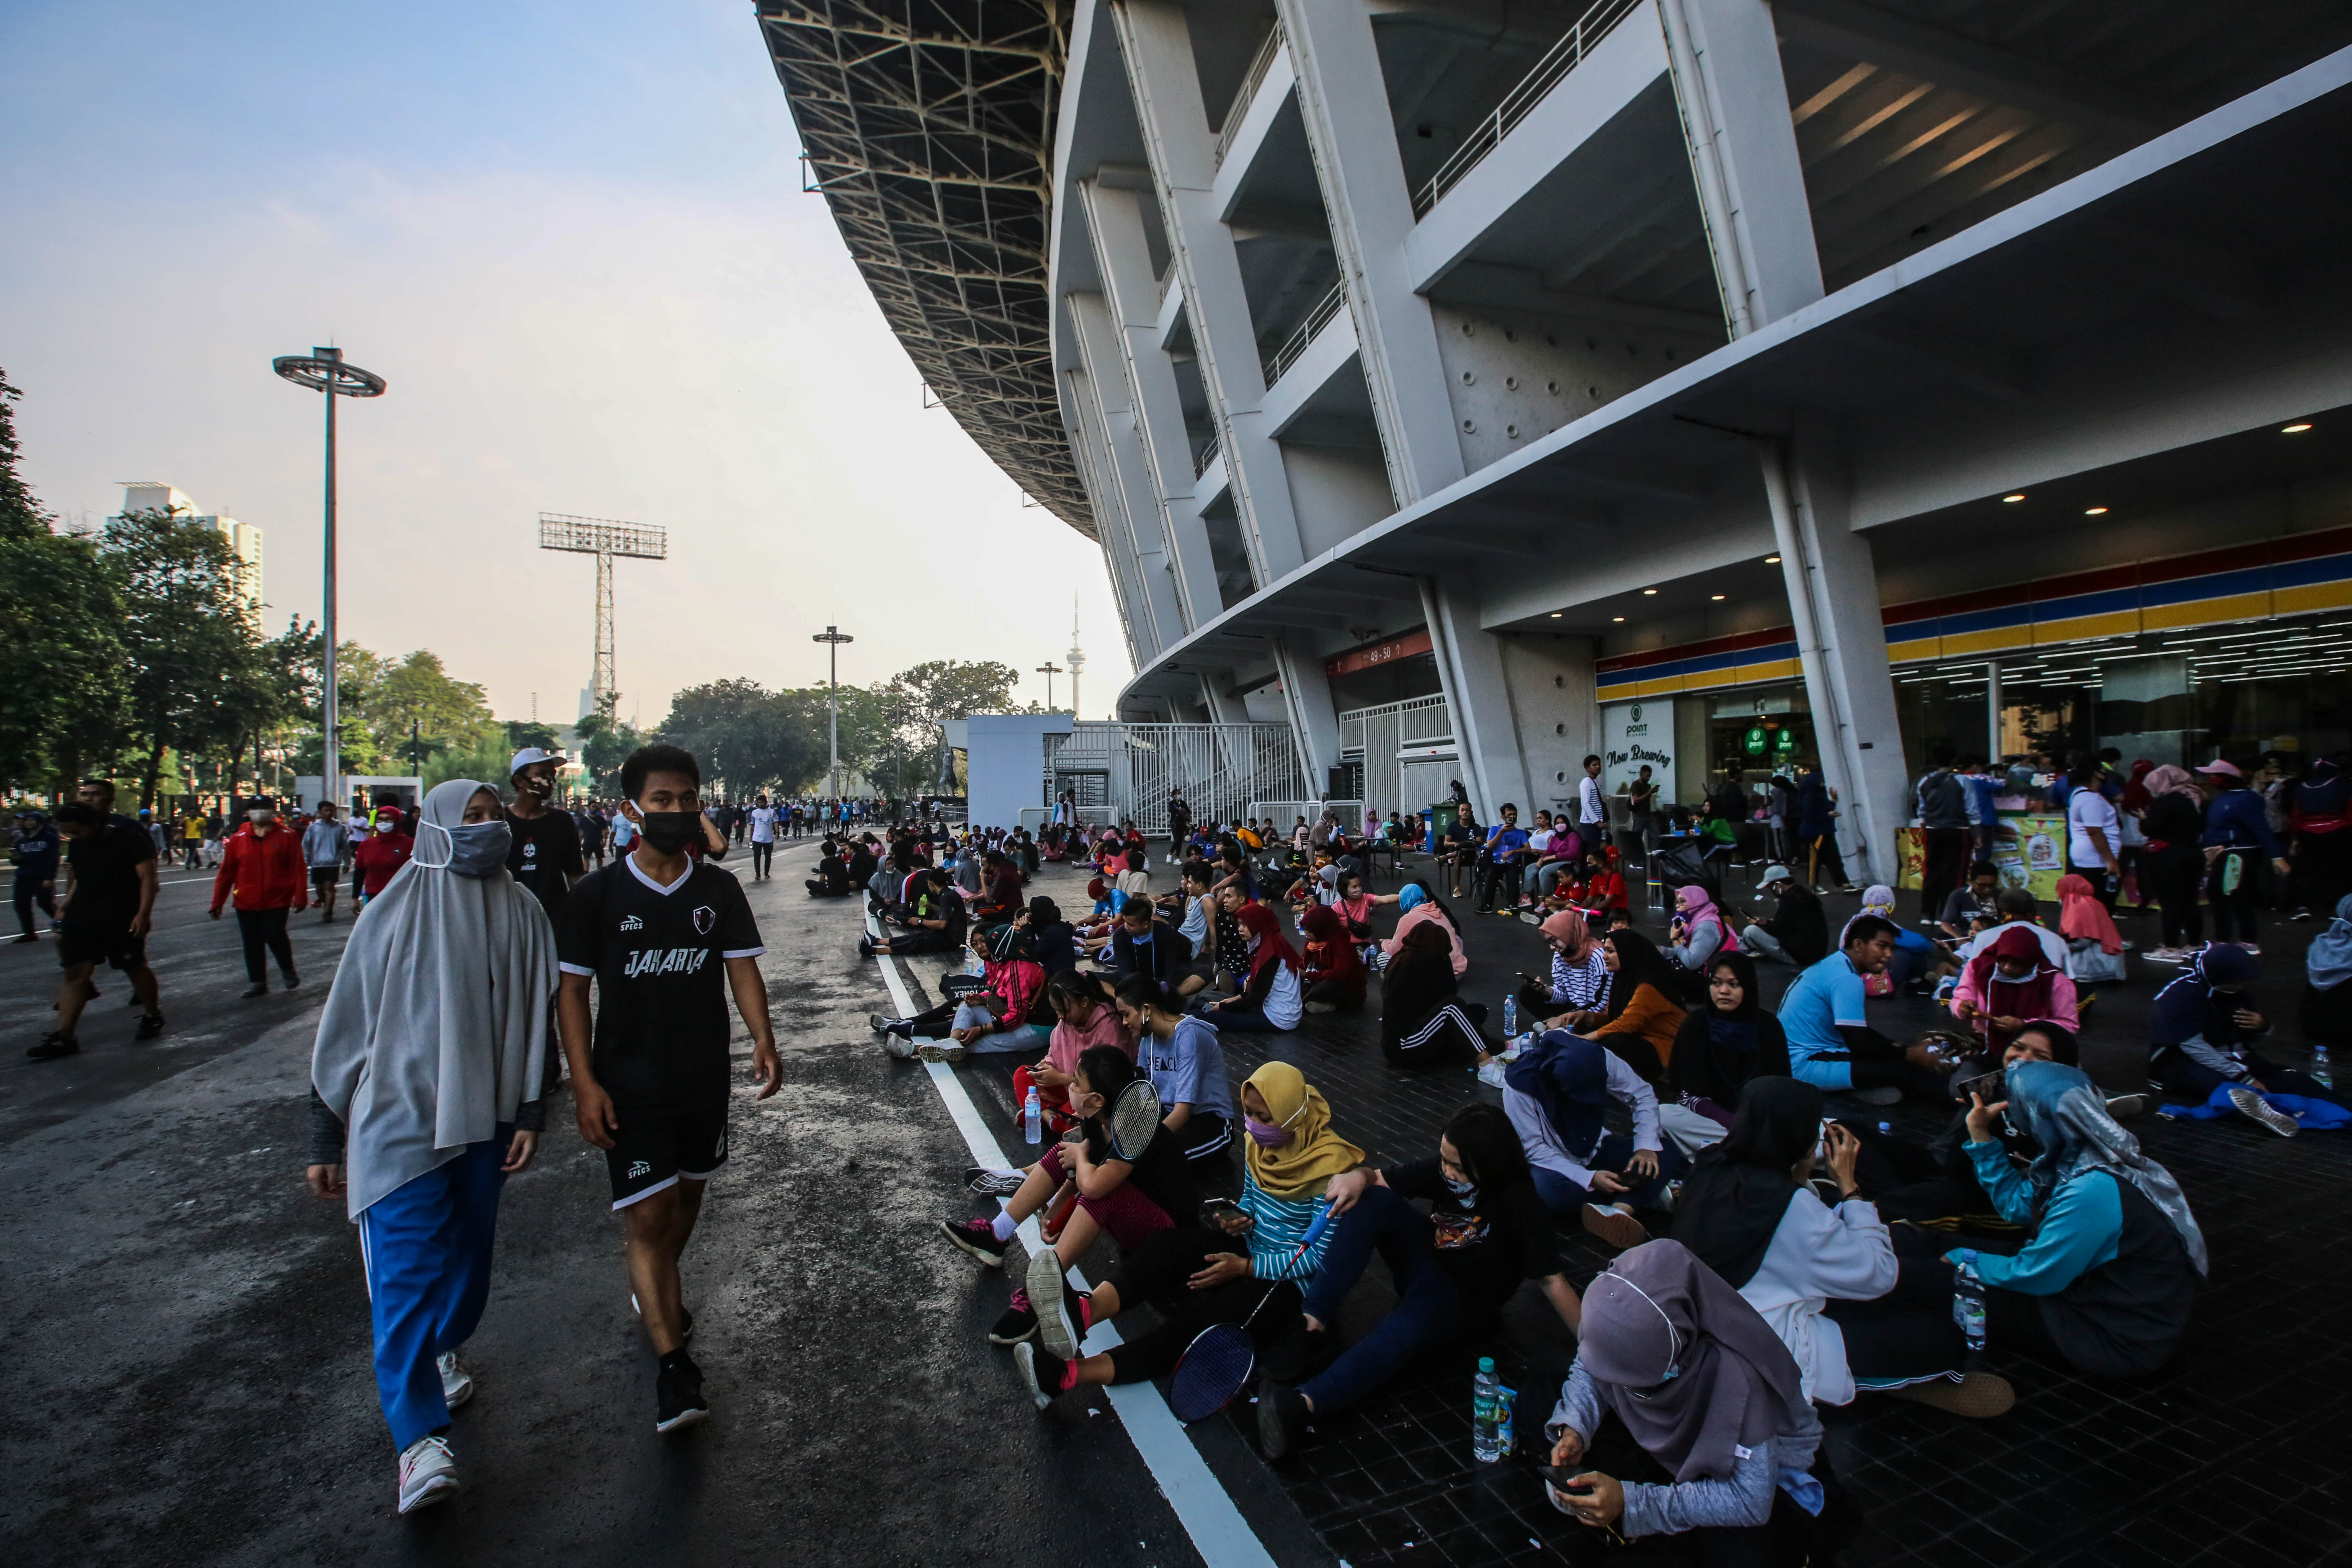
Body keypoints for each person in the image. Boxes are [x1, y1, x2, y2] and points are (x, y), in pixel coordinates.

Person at [304, 778, 555, 1515]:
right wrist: (327, 1135)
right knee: (406, 1275)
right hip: (399, 1125)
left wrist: (534, 1113)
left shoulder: (523, 909)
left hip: (489, 1120)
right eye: (469, 818)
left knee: (469, 1258)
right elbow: (344, 1030)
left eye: (491, 816)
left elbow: (542, 1018)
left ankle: (444, 1347)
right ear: (437, 828)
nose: (486, 828)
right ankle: (419, 1442)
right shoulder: (391, 914)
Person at [554, 744, 780, 1434]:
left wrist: (763, 1038)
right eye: (662, 801)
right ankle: (675, 1369)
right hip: (630, 1084)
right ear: (632, 809)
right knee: (647, 1218)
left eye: (687, 800)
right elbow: (572, 994)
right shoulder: (595, 895)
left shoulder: (718, 890)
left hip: (703, 1079)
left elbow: (741, 970)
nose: (677, 812)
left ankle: (655, 1287)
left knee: (687, 1199)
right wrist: (583, 1082)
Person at [1014, 1061, 1361, 1406]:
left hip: (1289, 1282)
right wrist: (1239, 1219)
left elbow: (1317, 1257)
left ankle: (1066, 1376)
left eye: (1265, 1118)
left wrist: (1246, 1269)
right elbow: (1252, 1203)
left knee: (1199, 1324)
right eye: (1250, 1114)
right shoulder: (1261, 1144)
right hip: (1250, 1248)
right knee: (1166, 1248)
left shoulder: (1330, 1169)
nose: (1255, 1126)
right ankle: (1081, 1314)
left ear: (1291, 1114)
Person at [1256, 1103, 1585, 1459]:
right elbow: (1379, 1178)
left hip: (1464, 1302)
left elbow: (1553, 1282)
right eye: (1444, 1159)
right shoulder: (1445, 1170)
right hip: (1428, 1262)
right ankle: (1312, 1323)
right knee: (1373, 1199)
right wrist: (1358, 1177)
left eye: (1457, 1166)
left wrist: (1596, 1354)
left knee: (1398, 1333)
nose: (1447, 1172)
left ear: (1489, 1164)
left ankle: (1304, 1405)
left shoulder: (1520, 1204)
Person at [1674, 1079, 2010, 1419]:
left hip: (1715, 1320)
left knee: (1886, 1300)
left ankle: (1872, 1377)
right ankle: (1861, 1384)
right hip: (1767, 1349)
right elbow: (1879, 1275)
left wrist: (1801, 1173)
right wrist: (1850, 1187)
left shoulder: (1709, 1164)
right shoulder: (1793, 1207)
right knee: (1940, 1335)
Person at [1541, 1242, 1825, 1560]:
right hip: (1664, 1434)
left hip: (1733, 1467)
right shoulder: (1619, 1312)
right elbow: (1593, 1365)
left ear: (1674, 1356)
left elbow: (1749, 1500)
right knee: (1540, 1397)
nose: (1618, 1381)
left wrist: (1634, 1502)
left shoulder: (1740, 1382)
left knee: (1748, 1553)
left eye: (1635, 1376)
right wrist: (1575, 1429)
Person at [1941, 1063, 2205, 1378]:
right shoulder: (2087, 1157)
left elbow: (2037, 1275)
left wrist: (1962, 1260)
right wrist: (1981, 1136)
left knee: (1938, 1281)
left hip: (2113, 1340)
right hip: (2104, 1306)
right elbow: (2018, 1207)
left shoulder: (2092, 1188)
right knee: (1936, 1247)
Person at [1503, 1030, 1676, 1248]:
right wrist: (1588, 1178)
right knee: (1546, 1190)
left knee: (1666, 1150)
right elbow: (1534, 1148)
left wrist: (1645, 1146)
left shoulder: (1601, 1058)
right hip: (1555, 1163)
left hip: (1596, 1146)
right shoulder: (1519, 1086)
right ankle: (1640, 1194)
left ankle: (1621, 1209)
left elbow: (1642, 1095)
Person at [2148, 945, 2347, 1129]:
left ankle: (2343, 1110)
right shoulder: (2181, 995)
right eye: (2234, 983)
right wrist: (2246, 1079)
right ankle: (2272, 1112)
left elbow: (2245, 1040)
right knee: (2227, 1089)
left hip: (2233, 1055)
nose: (2239, 987)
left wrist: (2263, 1026)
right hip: (2180, 1061)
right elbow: (2195, 1048)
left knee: (2294, 1080)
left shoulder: (2235, 994)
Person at [29, 801, 164, 1058]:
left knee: (134, 966)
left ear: (92, 823)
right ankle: (64, 1037)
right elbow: (80, 879)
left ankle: (152, 1014)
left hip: (120, 915)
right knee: (76, 973)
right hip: (83, 915)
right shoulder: (79, 845)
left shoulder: (129, 839)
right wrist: (65, 905)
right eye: (68, 833)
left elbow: (148, 878)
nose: (73, 837)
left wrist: (143, 915)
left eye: (76, 831)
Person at [1780, 915, 1954, 1105]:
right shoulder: (1847, 979)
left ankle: (1853, 1084)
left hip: (1803, 1056)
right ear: (1858, 945)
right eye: (1882, 946)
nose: (1889, 955)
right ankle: (1962, 1099)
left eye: (1891, 948)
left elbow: (1859, 1033)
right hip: (1804, 1065)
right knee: (1907, 1068)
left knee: (1898, 1054)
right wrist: (1913, 1055)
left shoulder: (1836, 964)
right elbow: (1860, 1043)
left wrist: (1905, 1050)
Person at [1667, 951, 1793, 1134]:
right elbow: (1687, 1093)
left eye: (1734, 984)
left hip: (1760, 1122)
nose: (1724, 991)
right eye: (1716, 983)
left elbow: (1781, 1087)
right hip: (1712, 1120)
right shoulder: (1696, 1026)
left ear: (1748, 987)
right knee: (1664, 1116)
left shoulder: (1768, 1027)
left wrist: (1756, 1124)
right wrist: (1733, 1124)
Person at [1115, 975, 1236, 1160]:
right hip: (1167, 1115)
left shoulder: (1189, 1037)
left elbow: (1183, 1111)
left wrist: (1144, 1144)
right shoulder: (1148, 1039)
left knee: (1153, 1159)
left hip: (1208, 1123)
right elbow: (1142, 1094)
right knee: (1117, 1145)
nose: (1124, 1022)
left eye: (1126, 1014)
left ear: (1146, 1009)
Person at [210, 797, 308, 998]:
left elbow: (298, 868)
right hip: (246, 900)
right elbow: (227, 873)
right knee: (251, 942)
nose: (259, 812)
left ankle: (287, 969)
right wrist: (217, 902)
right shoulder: (239, 839)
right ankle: (258, 982)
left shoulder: (288, 836)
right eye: (254, 809)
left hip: (278, 898)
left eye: (264, 808)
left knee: (273, 933)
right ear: (248, 813)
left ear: (273, 811)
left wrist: (300, 896)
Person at [1561, 929, 1688, 1083]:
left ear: (1627, 953)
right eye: (1605, 951)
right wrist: (1586, 1016)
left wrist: (1586, 1039)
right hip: (1641, 1037)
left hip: (1667, 1049)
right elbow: (1612, 1017)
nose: (1604, 957)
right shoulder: (1624, 977)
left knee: (1614, 1042)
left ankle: (1656, 1079)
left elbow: (1627, 1024)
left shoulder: (1650, 984)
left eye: (1610, 952)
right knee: (1582, 1026)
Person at [1949, 923, 2080, 1058]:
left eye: (2016, 963)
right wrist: (1963, 1006)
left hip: (2032, 1050)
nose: (2007, 967)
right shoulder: (1978, 968)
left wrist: (2025, 1026)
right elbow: (1963, 993)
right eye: (2003, 960)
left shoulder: (2056, 981)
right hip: (1985, 1041)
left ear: (2031, 961)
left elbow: (2069, 1024)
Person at [2198, 759, 2288, 952]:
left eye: (2215, 775)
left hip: (2238, 854)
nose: (2211, 779)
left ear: (2227, 778)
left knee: (2232, 894)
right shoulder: (2222, 798)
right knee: (2224, 893)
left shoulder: (2247, 799)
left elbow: (2261, 829)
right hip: (2223, 853)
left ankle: (2242, 940)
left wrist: (2277, 856)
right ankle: (2232, 939)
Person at [1379, 920, 1493, 1067]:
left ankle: (1470, 1046)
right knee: (1453, 1007)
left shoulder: (1406, 957)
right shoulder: (1420, 963)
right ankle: (1488, 1062)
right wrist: (1445, 965)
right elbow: (1449, 996)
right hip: (1403, 1045)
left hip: (1412, 1030)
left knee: (1475, 1012)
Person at [1200, 889, 1303, 1032]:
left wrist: (1224, 1007)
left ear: (1258, 924)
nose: (1240, 929)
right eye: (1239, 924)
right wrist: (1232, 1000)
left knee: (1214, 1017)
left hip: (1279, 1018)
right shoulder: (1270, 942)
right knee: (1216, 1005)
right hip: (1281, 1011)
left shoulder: (1270, 952)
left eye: (1245, 925)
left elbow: (1256, 997)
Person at [504, 748, 584, 922]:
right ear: (519, 780)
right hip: (509, 917)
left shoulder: (562, 821)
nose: (550, 780)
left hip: (553, 918)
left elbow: (574, 874)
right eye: (541, 774)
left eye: (552, 774)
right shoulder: (500, 822)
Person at [2062, 753, 2123, 912]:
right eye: (2104, 769)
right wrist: (2112, 861)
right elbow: (2095, 832)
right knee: (2098, 905)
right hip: (2095, 860)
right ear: (2096, 773)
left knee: (2089, 904)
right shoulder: (2090, 799)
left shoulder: (2080, 794)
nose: (2108, 773)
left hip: (2089, 857)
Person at [1734, 865, 1827, 967]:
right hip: (1816, 953)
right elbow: (1788, 923)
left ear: (1779, 885)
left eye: (1771, 887)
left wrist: (1757, 924)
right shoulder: (1804, 894)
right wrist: (1767, 923)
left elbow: (1777, 930)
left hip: (1799, 956)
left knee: (1750, 931)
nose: (1771, 891)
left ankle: (1752, 948)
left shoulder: (1789, 901)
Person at [1915, 756, 1972, 922]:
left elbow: (1921, 809)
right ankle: (1947, 914)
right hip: (1958, 829)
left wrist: (1925, 823)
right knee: (1954, 872)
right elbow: (1971, 809)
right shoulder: (1962, 780)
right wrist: (1978, 833)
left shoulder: (1925, 781)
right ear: (1954, 762)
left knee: (1931, 870)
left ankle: (1927, 913)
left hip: (1933, 830)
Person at [1379, 878, 1465, 976]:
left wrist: (1385, 943)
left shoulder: (1408, 918)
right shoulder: (1439, 912)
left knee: (1383, 958)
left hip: (1435, 976)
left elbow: (1394, 950)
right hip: (1455, 973)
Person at [1794, 760, 1856, 892]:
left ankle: (1842, 883)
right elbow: (1809, 816)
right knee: (1819, 860)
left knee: (1831, 858)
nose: (1823, 783)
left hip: (1820, 832)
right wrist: (1829, 814)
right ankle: (1817, 885)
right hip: (1816, 832)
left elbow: (1816, 814)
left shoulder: (1812, 797)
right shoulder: (1811, 798)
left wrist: (1832, 804)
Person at [1298, 903, 1366, 1013]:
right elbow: (1305, 964)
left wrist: (1307, 975)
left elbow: (1339, 975)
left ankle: (1303, 1006)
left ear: (1321, 928)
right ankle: (1318, 1004)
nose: (1307, 934)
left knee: (1325, 987)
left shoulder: (1341, 944)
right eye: (1305, 930)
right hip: (1318, 979)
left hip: (1348, 989)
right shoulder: (1314, 941)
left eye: (1310, 931)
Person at [11, 807, 60, 943]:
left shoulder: (50, 838)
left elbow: (54, 858)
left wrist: (50, 877)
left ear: (39, 822)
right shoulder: (22, 841)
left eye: (32, 819)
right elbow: (18, 858)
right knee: (21, 905)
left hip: (42, 876)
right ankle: (29, 933)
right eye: (26, 820)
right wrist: (15, 859)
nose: (28, 822)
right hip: (23, 877)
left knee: (46, 904)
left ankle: (63, 923)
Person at [353, 808, 416, 909]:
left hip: (401, 895)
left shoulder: (409, 844)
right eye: (380, 820)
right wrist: (355, 898)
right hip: (373, 895)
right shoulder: (367, 844)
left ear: (397, 821)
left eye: (388, 819)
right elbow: (360, 872)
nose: (384, 823)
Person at [303, 801, 353, 924]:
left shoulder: (340, 828)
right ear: (320, 812)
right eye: (326, 810)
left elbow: (344, 847)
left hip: (333, 863)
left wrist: (347, 862)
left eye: (332, 811)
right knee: (319, 889)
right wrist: (306, 860)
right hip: (317, 863)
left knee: (329, 887)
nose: (329, 813)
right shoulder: (313, 827)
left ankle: (328, 911)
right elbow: (306, 845)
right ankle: (324, 901)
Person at [1666, 885, 1727, 973]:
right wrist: (1665, 951)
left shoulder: (1705, 927)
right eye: (1677, 902)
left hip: (1719, 973)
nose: (1678, 906)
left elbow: (1692, 963)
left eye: (1682, 901)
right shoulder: (1694, 920)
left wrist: (1674, 940)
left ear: (1695, 902)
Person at [1577, 753, 1607, 858]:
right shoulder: (1586, 782)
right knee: (1592, 853)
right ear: (1587, 768)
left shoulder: (1595, 782)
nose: (1598, 767)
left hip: (1597, 823)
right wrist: (1597, 821)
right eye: (1594, 765)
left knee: (1598, 852)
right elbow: (1585, 803)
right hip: (1589, 823)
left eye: (1599, 764)